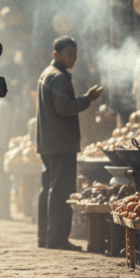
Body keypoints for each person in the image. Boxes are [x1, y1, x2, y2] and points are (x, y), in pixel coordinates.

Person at [36, 36, 102, 251]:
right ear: (56, 55)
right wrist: (88, 99)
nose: (73, 58)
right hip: (61, 143)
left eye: (75, 54)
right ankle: (57, 239)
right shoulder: (59, 78)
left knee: (48, 189)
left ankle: (45, 238)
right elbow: (64, 108)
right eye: (69, 55)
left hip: (49, 142)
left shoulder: (47, 74)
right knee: (61, 191)